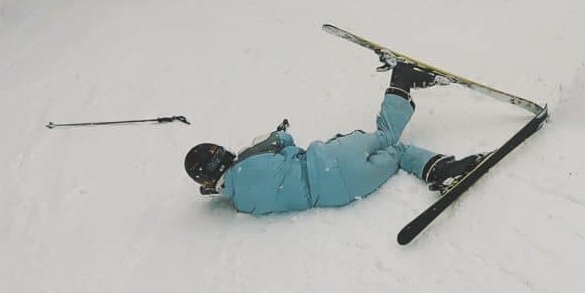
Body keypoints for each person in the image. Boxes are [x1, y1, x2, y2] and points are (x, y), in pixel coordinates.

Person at [184, 63, 482, 215]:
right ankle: (401, 80)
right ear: (222, 155)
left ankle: (441, 171)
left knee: (397, 152)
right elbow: (285, 141)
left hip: (343, 192)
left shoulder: (240, 204)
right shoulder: (247, 159)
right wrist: (272, 138)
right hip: (329, 158)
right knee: (386, 136)